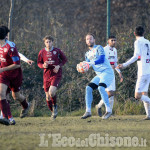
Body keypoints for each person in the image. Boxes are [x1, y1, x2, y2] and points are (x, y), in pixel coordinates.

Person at [0, 25, 34, 125]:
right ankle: (6, 118)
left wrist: (2, 69)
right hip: (4, 75)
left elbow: (17, 64)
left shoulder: (10, 46)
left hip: (15, 75)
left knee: (16, 96)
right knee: (2, 94)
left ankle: (26, 106)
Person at [117, 26, 150, 120]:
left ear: (134, 34)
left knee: (137, 95)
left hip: (143, 72)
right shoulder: (148, 42)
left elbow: (136, 56)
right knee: (144, 93)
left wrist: (124, 64)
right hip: (148, 70)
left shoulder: (137, 42)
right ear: (144, 33)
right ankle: (148, 115)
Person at [80, 33, 114, 119]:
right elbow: (87, 64)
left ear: (94, 40)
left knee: (101, 88)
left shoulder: (99, 48)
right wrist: (82, 68)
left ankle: (108, 110)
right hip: (99, 75)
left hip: (107, 72)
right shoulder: (87, 53)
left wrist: (91, 63)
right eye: (87, 39)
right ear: (86, 41)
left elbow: (102, 59)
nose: (89, 40)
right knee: (88, 88)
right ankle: (88, 111)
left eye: (91, 38)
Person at [37, 35, 67, 120]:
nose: (48, 43)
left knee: (51, 92)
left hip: (56, 74)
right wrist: (43, 65)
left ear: (52, 42)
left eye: (50, 42)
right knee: (47, 97)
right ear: (44, 43)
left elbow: (64, 60)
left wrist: (58, 66)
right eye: (47, 42)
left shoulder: (57, 51)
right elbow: (38, 63)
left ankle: (55, 106)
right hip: (46, 75)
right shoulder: (42, 52)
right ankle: (53, 112)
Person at [95, 35, 123, 116]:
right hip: (105, 73)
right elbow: (100, 62)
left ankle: (109, 112)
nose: (114, 42)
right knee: (109, 93)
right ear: (108, 41)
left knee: (112, 94)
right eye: (112, 40)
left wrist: (119, 73)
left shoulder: (115, 50)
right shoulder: (104, 50)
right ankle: (99, 106)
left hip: (112, 73)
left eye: (115, 40)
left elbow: (115, 63)